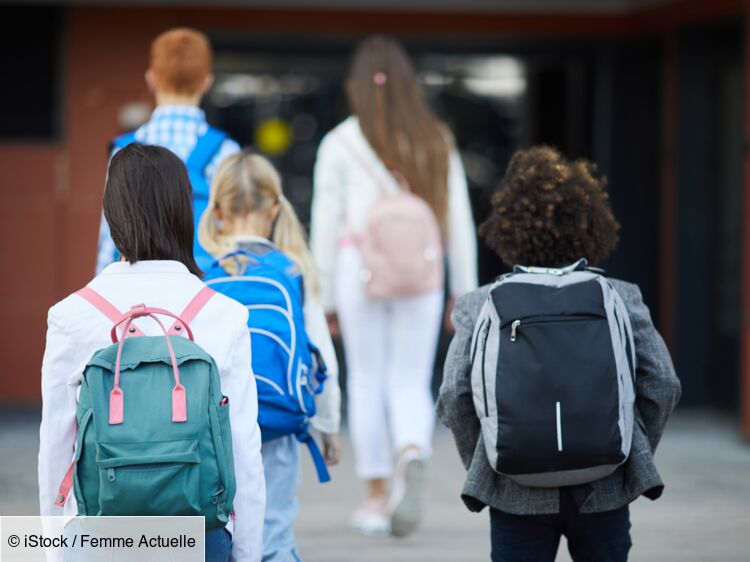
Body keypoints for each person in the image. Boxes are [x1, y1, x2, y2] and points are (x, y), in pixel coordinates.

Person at [436, 146, 682, 562]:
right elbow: (662, 383)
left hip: (515, 489)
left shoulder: (481, 304)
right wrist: (625, 448)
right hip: (603, 486)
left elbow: (453, 397)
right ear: (592, 225)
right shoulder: (621, 296)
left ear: (507, 228)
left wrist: (492, 458)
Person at [39, 144, 266, 562]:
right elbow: (244, 450)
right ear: (185, 212)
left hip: (98, 534)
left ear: (112, 215)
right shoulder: (224, 314)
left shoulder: (70, 316)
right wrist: (247, 552)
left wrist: (54, 551)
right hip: (200, 535)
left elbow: (55, 446)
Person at [310, 35, 478, 537]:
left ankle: (377, 498)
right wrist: (463, 293)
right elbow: (459, 222)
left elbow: (324, 224)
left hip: (357, 269)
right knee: (409, 377)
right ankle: (412, 450)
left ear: (357, 85)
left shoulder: (339, 142)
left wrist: (325, 299)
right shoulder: (435, 139)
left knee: (365, 378)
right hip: (421, 275)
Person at [199, 151, 342, 561]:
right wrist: (328, 425)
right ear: (275, 210)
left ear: (219, 211)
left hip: (217, 424)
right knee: (274, 529)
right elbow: (321, 356)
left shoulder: (204, 271)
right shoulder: (293, 270)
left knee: (221, 525)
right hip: (278, 421)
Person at [96, 27, 240, 273]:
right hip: (204, 293)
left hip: (138, 298)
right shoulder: (226, 151)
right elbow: (235, 237)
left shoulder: (124, 152)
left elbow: (108, 241)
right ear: (206, 83)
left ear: (151, 79)